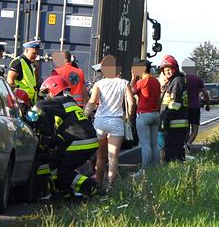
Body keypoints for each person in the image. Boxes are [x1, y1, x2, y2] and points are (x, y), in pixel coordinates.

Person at [32, 75, 99, 198]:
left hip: (81, 142)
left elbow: (40, 105)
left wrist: (31, 117)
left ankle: (91, 188)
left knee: (64, 172)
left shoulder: (60, 101)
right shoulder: (68, 102)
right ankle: (63, 191)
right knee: (54, 162)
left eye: (47, 92)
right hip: (83, 140)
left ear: (54, 88)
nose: (47, 96)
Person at [85, 55, 135, 188]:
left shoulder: (98, 84)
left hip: (100, 122)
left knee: (100, 157)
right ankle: (111, 187)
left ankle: (99, 184)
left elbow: (92, 102)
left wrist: (84, 116)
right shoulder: (124, 83)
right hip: (116, 122)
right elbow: (131, 103)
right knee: (113, 157)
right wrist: (129, 118)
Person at [158, 55, 189, 162]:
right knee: (172, 151)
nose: (167, 72)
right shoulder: (174, 81)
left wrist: (166, 117)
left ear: (175, 69)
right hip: (174, 123)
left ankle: (175, 171)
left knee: (173, 152)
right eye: (165, 70)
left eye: (169, 69)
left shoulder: (177, 81)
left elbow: (176, 102)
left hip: (176, 123)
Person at [131, 60, 161, 169]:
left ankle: (145, 170)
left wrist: (133, 78)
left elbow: (129, 92)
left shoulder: (141, 82)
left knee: (145, 145)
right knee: (155, 144)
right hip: (156, 114)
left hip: (143, 114)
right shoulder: (156, 82)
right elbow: (159, 99)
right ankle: (156, 167)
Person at [185, 71, 211, 145]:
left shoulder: (182, 79)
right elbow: (205, 93)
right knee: (194, 130)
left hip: (184, 108)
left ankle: (184, 146)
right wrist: (208, 105)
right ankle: (188, 145)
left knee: (186, 130)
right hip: (195, 107)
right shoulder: (198, 79)